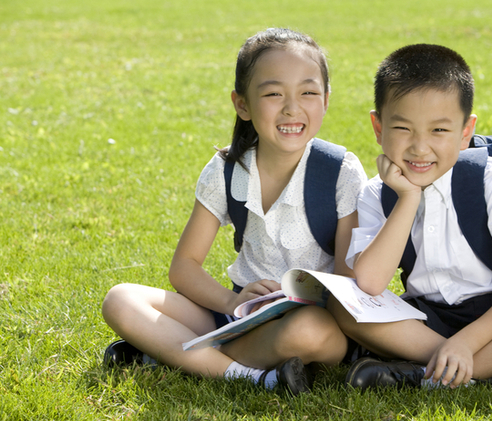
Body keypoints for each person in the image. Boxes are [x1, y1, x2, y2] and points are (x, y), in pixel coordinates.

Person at [101, 28, 367, 395]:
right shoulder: (229, 169)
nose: (292, 107)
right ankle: (250, 374)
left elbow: (351, 281)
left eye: (308, 92)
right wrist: (233, 301)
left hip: (313, 322)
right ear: (242, 104)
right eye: (274, 93)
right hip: (239, 315)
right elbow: (185, 267)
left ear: (325, 100)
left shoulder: (340, 170)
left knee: (310, 331)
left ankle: (175, 352)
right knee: (121, 299)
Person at [329, 44, 492, 390]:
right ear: (378, 127)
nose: (420, 147)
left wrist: (467, 343)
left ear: (465, 131)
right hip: (428, 321)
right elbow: (369, 284)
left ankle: (433, 372)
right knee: (342, 304)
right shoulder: (375, 193)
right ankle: (477, 371)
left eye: (439, 131)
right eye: (403, 129)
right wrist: (408, 197)